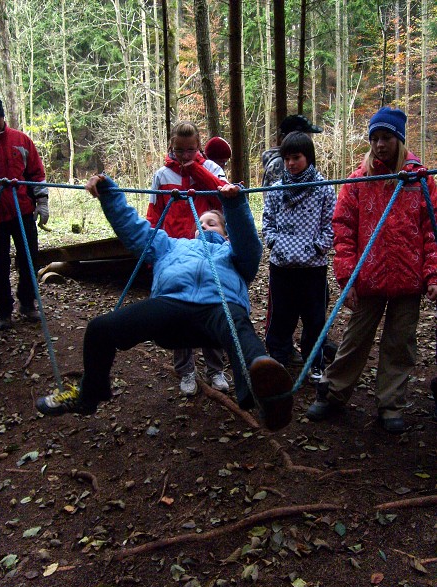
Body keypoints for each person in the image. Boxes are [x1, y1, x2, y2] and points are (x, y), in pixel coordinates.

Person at [36, 175, 294, 432]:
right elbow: (134, 230)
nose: (204, 227)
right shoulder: (171, 246)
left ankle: (266, 395)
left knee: (239, 327)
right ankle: (89, 395)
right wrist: (108, 193)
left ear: (226, 234)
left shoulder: (233, 254)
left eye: (212, 224)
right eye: (200, 223)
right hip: (171, 306)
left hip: (219, 308)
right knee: (99, 329)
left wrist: (234, 205)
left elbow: (248, 242)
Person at [306, 106, 437, 434]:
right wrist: (347, 276)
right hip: (369, 277)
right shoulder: (359, 180)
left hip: (409, 280)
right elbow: (344, 228)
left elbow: (432, 230)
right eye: (375, 138)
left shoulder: (420, 180)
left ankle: (390, 403)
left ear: (399, 139)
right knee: (355, 338)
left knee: (400, 342)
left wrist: (432, 274)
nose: (380, 144)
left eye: (387, 137)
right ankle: (334, 393)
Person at [147, 121, 229, 396]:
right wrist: (152, 252)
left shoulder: (211, 169)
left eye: (191, 150)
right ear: (171, 146)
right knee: (178, 311)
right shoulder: (161, 176)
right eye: (179, 150)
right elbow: (154, 215)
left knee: (211, 306)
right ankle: (185, 371)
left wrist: (195, 167)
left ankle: (215, 369)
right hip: (174, 252)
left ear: (199, 147)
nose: (184, 155)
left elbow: (221, 193)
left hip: (207, 252)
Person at [262, 131, 336, 382]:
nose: (291, 163)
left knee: (314, 317)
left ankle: (314, 361)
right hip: (282, 266)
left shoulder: (323, 189)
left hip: (312, 267)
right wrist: (276, 243)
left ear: (308, 157)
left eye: (296, 157)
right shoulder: (275, 190)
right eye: (287, 158)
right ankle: (278, 359)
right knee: (281, 315)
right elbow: (268, 222)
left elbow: (330, 224)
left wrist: (317, 247)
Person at [0, 96, 49, 330]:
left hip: (22, 212)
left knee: (28, 259)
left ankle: (27, 303)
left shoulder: (20, 141)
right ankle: (4, 312)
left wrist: (42, 202)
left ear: (3, 116)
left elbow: (36, 173)